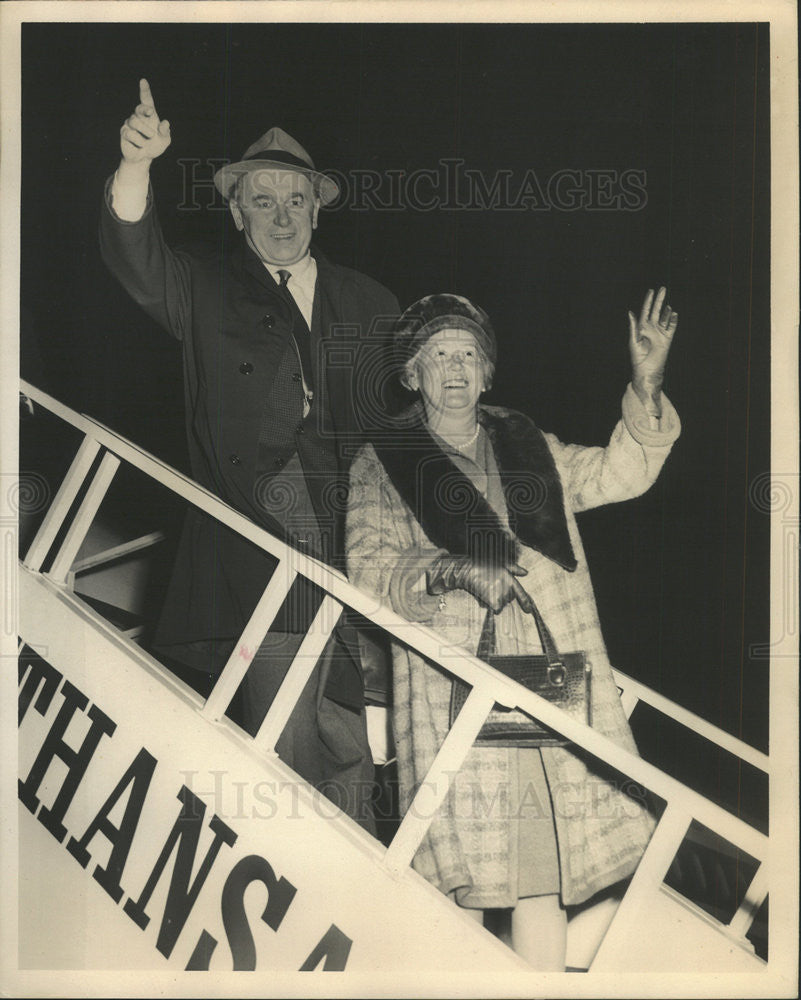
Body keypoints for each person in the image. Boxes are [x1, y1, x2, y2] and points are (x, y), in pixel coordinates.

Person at [346, 289, 681, 966]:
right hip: (454, 683)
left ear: (487, 370)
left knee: (539, 865)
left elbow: (619, 473)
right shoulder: (381, 462)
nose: (455, 367)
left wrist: (646, 384)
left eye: (468, 353)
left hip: (544, 673)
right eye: (436, 355)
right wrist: (448, 568)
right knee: (463, 870)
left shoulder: (526, 441)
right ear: (411, 374)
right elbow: (365, 566)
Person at [100, 79, 399, 832]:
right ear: (236, 213)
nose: (280, 217)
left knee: (352, 750)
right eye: (261, 202)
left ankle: (358, 905)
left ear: (317, 207)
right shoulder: (200, 285)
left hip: (358, 552)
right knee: (289, 755)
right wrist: (135, 168)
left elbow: (417, 428)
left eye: (295, 200)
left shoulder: (371, 301)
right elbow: (137, 260)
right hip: (259, 548)